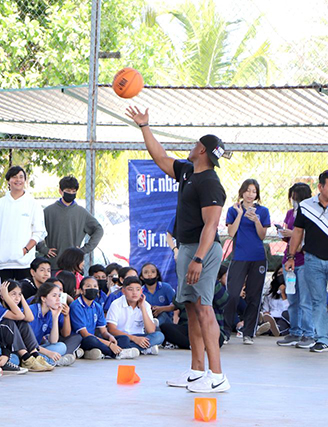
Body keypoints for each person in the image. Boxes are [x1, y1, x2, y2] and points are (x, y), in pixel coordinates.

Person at [126, 106, 229, 392]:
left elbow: (211, 225)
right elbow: (159, 157)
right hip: (187, 248)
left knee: (205, 309)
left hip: (202, 250)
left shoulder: (210, 182)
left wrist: (198, 258)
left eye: (197, 144)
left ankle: (218, 376)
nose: (192, 146)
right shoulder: (187, 172)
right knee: (192, 310)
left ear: (204, 151)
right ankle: (197, 371)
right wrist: (144, 126)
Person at [285, 170, 328, 353]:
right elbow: (297, 232)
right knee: (317, 301)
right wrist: (291, 257)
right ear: (320, 186)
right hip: (312, 260)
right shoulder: (306, 206)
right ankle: (322, 339)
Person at [224, 179, 271, 344]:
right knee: (233, 294)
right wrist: (239, 215)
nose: (251, 194)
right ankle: (225, 331)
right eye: (248, 190)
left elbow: (262, 235)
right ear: (242, 191)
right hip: (239, 257)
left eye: (254, 191)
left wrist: (256, 220)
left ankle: (248, 333)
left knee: (254, 295)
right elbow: (231, 232)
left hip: (258, 257)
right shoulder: (233, 209)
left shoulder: (263, 211)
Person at [0, 166, 46, 281]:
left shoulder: (33, 204)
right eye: (14, 177)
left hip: (25, 263)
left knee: (23, 297)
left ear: (25, 180)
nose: (18, 180)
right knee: (3, 296)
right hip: (2, 264)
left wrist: (25, 250)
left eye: (21, 177)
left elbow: (39, 232)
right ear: (8, 180)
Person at [36, 176, 103, 270]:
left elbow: (98, 230)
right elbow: (35, 230)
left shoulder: (82, 212)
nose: (71, 193)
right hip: (53, 264)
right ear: (60, 191)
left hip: (74, 265)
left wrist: (84, 250)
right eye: (68, 190)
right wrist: (43, 249)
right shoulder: (48, 211)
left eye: (74, 191)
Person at [0, 280, 54, 372]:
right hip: (0, 343)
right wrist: (5, 296)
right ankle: (26, 358)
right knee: (9, 322)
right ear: (2, 295)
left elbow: (29, 318)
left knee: (23, 323)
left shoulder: (13, 306)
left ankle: (35, 356)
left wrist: (22, 298)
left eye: (19, 294)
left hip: (11, 346)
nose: (17, 298)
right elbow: (20, 316)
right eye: (13, 294)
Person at [277, 183, 314, 347]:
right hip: (289, 261)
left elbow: (308, 236)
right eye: (292, 197)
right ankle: (295, 331)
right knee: (292, 298)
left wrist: (294, 234)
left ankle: (309, 333)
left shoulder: (311, 214)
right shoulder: (290, 214)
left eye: (296, 198)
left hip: (305, 261)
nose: (294, 201)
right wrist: (284, 234)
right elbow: (290, 236)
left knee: (306, 299)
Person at [69, 276, 138, 360]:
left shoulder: (97, 306)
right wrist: (109, 344)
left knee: (124, 338)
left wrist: (109, 337)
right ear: (81, 290)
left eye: (95, 286)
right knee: (90, 340)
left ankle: (100, 352)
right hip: (82, 340)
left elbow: (103, 330)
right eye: (88, 286)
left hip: (96, 338)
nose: (92, 288)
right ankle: (117, 353)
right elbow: (84, 334)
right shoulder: (76, 306)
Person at [161, 265, 229, 349]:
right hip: (188, 327)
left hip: (210, 328)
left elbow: (224, 302)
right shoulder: (185, 282)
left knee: (219, 339)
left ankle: (192, 345)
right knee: (165, 327)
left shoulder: (213, 283)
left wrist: (210, 282)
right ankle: (195, 345)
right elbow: (178, 302)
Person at [106, 276, 165, 355]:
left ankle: (126, 350)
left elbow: (151, 331)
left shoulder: (146, 305)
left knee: (159, 336)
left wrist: (143, 308)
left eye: (138, 289)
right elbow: (111, 329)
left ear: (141, 291)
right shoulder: (116, 304)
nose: (134, 293)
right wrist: (134, 339)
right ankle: (144, 348)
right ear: (123, 291)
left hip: (139, 336)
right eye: (130, 289)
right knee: (122, 341)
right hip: (121, 336)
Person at [29, 282, 77, 366]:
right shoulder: (32, 311)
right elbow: (27, 343)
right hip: (26, 349)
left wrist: (55, 318)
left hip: (37, 348)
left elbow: (53, 341)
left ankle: (43, 360)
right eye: (54, 296)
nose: (58, 299)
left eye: (59, 296)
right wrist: (49, 353)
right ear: (43, 298)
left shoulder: (50, 312)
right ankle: (53, 361)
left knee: (61, 346)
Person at [259, 265, 289, 336]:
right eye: (279, 273)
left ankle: (271, 330)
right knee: (265, 320)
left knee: (280, 326)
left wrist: (283, 293)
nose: (281, 275)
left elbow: (289, 310)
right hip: (272, 317)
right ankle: (263, 328)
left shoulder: (292, 291)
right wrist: (266, 313)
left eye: (283, 273)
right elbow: (265, 309)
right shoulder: (270, 293)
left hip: (284, 318)